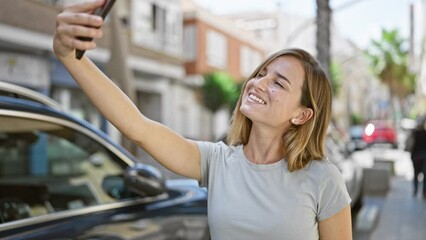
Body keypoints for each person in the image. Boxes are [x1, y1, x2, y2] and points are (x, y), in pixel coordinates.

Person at [53, 1, 352, 239]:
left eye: (278, 83)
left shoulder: (323, 179)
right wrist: (69, 56)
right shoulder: (217, 161)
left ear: (301, 114)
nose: (258, 83)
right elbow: (137, 126)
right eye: (261, 73)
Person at [406, 118, 426, 198]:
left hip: (416, 156)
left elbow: (409, 145)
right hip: (424, 156)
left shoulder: (414, 133)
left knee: (415, 174)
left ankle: (415, 190)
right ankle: (424, 192)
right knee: (425, 175)